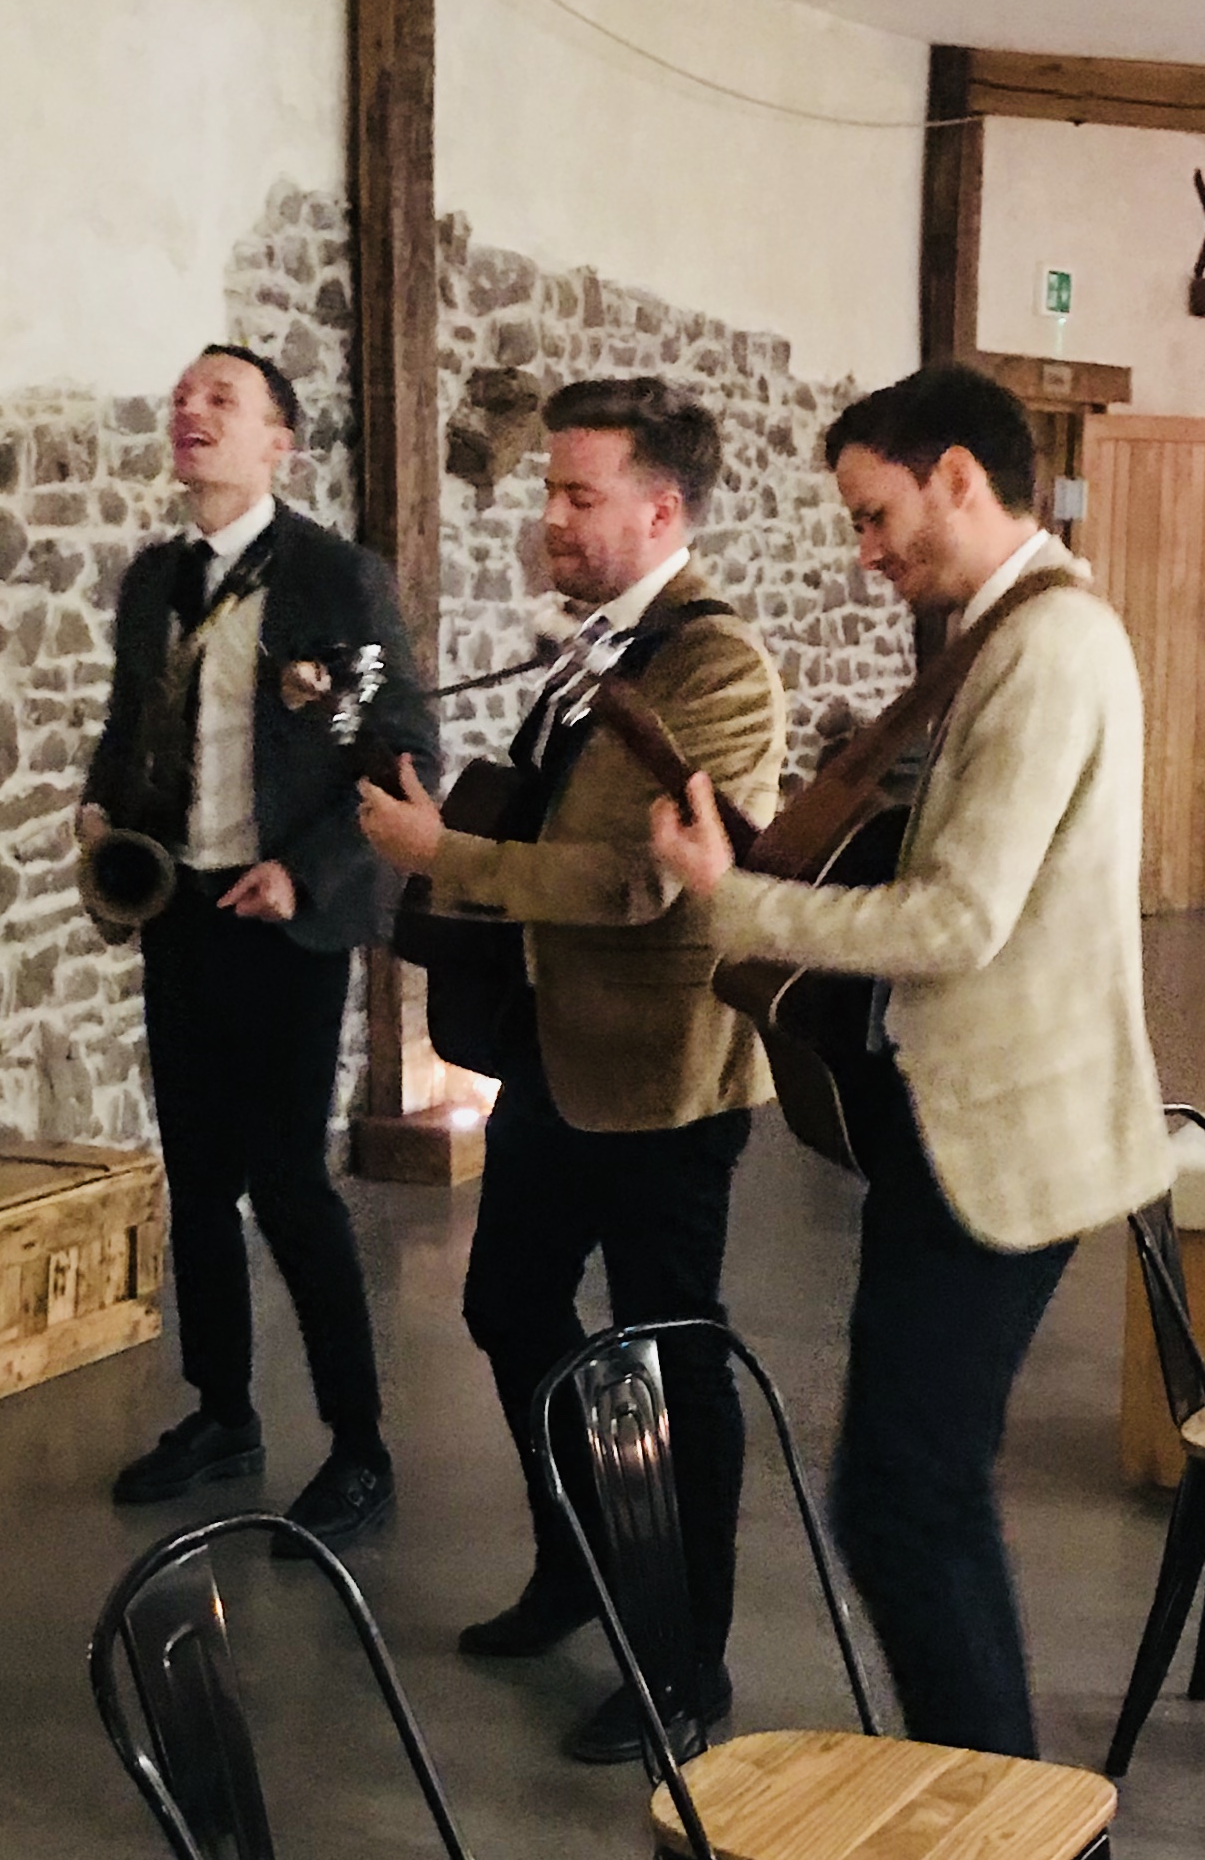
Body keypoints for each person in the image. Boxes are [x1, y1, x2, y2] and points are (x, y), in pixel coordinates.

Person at [649, 361, 1171, 1759]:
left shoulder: (1043, 647)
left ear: (957, 474)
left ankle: (1004, 1820)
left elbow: (957, 916)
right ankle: (1001, 1807)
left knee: (903, 1495)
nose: (868, 551)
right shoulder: (996, 633)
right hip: (961, 1129)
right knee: (910, 1490)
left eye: (878, 515)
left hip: (997, 1142)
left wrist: (728, 896)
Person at [358, 376, 784, 1762]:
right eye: (547, 489)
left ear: (660, 509)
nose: (548, 515)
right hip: (555, 1051)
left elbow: (635, 885)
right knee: (508, 1299)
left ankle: (683, 1667)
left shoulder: (717, 669)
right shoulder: (593, 648)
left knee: (672, 1358)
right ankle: (577, 1565)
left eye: (576, 493)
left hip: (665, 1076)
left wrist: (445, 860)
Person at [81, 343, 437, 1550]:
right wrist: (99, 809)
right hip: (175, 908)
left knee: (287, 1182)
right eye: (181, 394)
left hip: (284, 919)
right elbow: (129, 723)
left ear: (279, 441)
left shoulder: (340, 581)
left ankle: (358, 1442)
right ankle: (223, 1413)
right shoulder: (151, 582)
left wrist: (313, 871)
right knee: (196, 1175)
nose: (189, 410)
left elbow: (400, 754)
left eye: (219, 399)